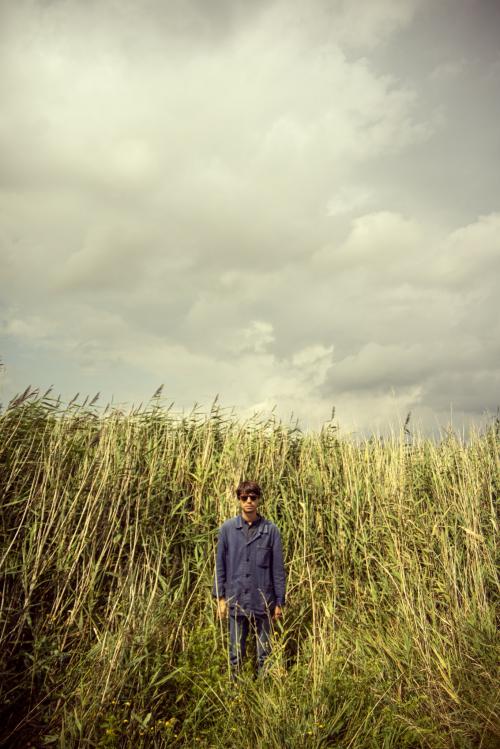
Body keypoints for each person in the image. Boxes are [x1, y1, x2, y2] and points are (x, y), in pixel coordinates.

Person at [212, 480, 286, 677]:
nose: (249, 502)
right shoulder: (227, 529)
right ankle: (235, 691)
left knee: (265, 652)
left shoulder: (271, 531)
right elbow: (220, 566)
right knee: (236, 652)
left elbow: (278, 570)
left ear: (259, 500)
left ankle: (263, 691)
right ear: (239, 500)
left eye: (253, 497)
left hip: (263, 601)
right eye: (244, 498)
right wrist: (220, 598)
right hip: (236, 599)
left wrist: (279, 601)